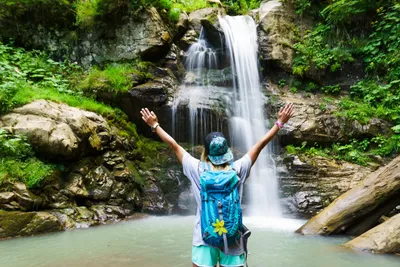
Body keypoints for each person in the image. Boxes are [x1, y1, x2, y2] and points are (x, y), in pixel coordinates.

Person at [140, 103, 295, 267]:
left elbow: (174, 145)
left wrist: (154, 125)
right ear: (227, 151)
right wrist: (279, 123)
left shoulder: (197, 169)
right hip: (233, 236)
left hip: (204, 236)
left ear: (206, 152)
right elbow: (260, 145)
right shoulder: (238, 168)